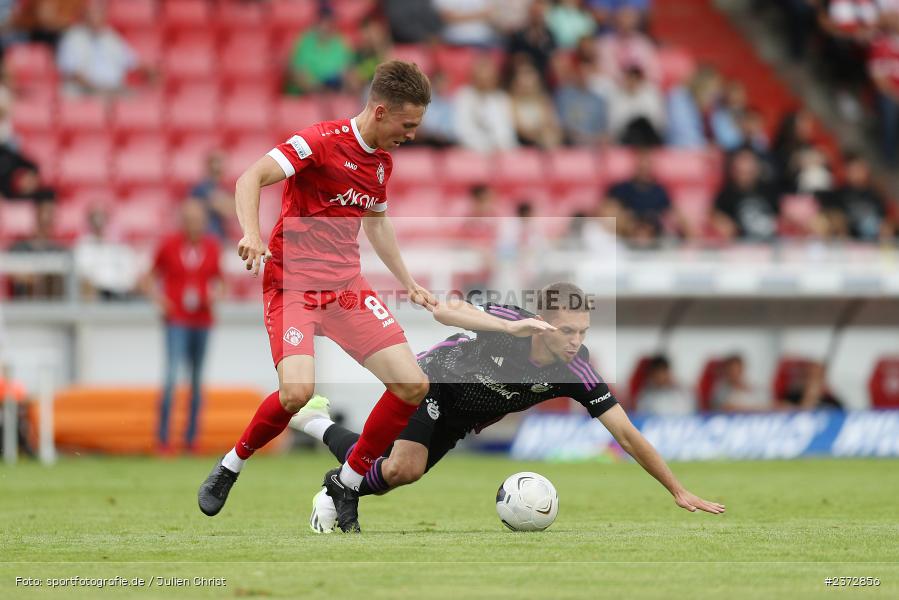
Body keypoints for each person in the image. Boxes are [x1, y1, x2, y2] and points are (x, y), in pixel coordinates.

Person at [197, 61, 438, 534]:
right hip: (294, 287)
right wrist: (252, 233)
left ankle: (347, 483)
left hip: (346, 289)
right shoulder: (319, 142)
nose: (411, 135)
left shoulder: (382, 163)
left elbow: (377, 221)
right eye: (408, 125)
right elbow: (250, 178)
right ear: (381, 110)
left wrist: (407, 280)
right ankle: (231, 464)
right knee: (297, 393)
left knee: (413, 385)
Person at [290, 283, 724, 532]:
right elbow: (448, 312)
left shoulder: (576, 370)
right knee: (406, 466)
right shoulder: (510, 321)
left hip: (466, 417)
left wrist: (677, 489)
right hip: (433, 383)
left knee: (393, 475)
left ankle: (316, 425)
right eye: (568, 330)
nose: (576, 340)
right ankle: (332, 483)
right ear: (545, 322)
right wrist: (503, 324)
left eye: (583, 331)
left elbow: (627, 434)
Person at [142, 200, 222, 455]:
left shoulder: (212, 247)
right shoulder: (169, 245)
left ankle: (191, 438)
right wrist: (160, 301)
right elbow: (147, 278)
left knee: (197, 381)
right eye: (189, 219)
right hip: (177, 318)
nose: (193, 225)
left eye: (197, 220)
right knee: (172, 378)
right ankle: (163, 438)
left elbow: (220, 281)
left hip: (202, 319)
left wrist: (215, 296)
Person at [55, 0, 138, 96]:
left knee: (136, 97)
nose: (97, 17)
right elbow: (72, 73)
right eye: (93, 13)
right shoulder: (73, 37)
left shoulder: (111, 36)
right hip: (84, 92)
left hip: (112, 90)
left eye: (99, 13)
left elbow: (132, 62)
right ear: (84, 15)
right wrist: (98, 89)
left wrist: (148, 71)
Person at [818, 152, 894, 242]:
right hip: (850, 239)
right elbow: (835, 217)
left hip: (875, 239)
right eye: (854, 170)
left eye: (860, 169)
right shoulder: (840, 193)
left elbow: (884, 218)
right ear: (847, 171)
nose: (857, 173)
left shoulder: (875, 193)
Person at [710, 148, 780, 241]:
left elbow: (779, 217)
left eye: (750, 163)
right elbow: (716, 216)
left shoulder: (768, 190)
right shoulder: (727, 195)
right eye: (742, 163)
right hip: (743, 247)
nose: (746, 168)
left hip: (771, 243)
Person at [73, 205, 139, 300]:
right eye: (95, 217)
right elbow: (83, 274)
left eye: (101, 217)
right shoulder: (82, 246)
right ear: (89, 221)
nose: (99, 221)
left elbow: (129, 274)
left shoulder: (117, 247)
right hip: (97, 294)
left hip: (120, 293)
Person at [454, 55, 518, 152]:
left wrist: (500, 146)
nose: (486, 79)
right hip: (471, 154)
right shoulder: (463, 96)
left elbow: (507, 131)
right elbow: (462, 131)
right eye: (482, 76)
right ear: (474, 77)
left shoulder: (502, 99)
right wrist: (485, 147)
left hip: (501, 153)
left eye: (489, 76)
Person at [283, 7, 353, 95]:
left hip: (334, 92)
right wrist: (317, 88)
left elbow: (347, 70)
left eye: (331, 22)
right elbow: (296, 73)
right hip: (307, 94)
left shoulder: (341, 42)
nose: (327, 26)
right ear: (317, 22)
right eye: (325, 22)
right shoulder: (304, 41)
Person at [7, 200, 65, 299]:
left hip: (53, 303)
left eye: (51, 216)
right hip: (26, 303)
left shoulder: (60, 250)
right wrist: (38, 278)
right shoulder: (19, 248)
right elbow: (13, 274)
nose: (48, 219)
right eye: (45, 214)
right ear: (36, 219)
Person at [189, 152, 232, 240]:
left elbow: (231, 209)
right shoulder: (202, 187)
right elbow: (225, 209)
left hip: (218, 235)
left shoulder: (222, 187)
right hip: (206, 235)